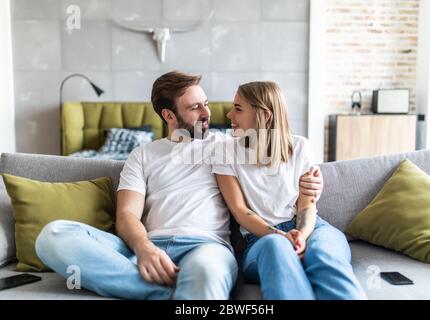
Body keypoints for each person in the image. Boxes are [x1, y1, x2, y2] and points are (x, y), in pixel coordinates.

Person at [34, 71, 324, 300]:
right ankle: (172, 290)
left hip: (206, 247)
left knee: (207, 273)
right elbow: (127, 216)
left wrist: (313, 183)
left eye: (206, 104)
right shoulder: (143, 155)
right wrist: (145, 249)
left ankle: (179, 285)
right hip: (148, 247)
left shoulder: (229, 145)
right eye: (195, 107)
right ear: (169, 116)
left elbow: (281, 158)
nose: (207, 113)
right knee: (54, 235)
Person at [212, 81, 367, 300]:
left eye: (238, 109)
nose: (229, 115)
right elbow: (240, 211)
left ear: (264, 115)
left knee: (323, 253)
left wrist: (301, 236)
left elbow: (306, 204)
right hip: (262, 239)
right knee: (277, 247)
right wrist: (282, 236)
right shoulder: (224, 151)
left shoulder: (301, 146)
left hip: (312, 228)